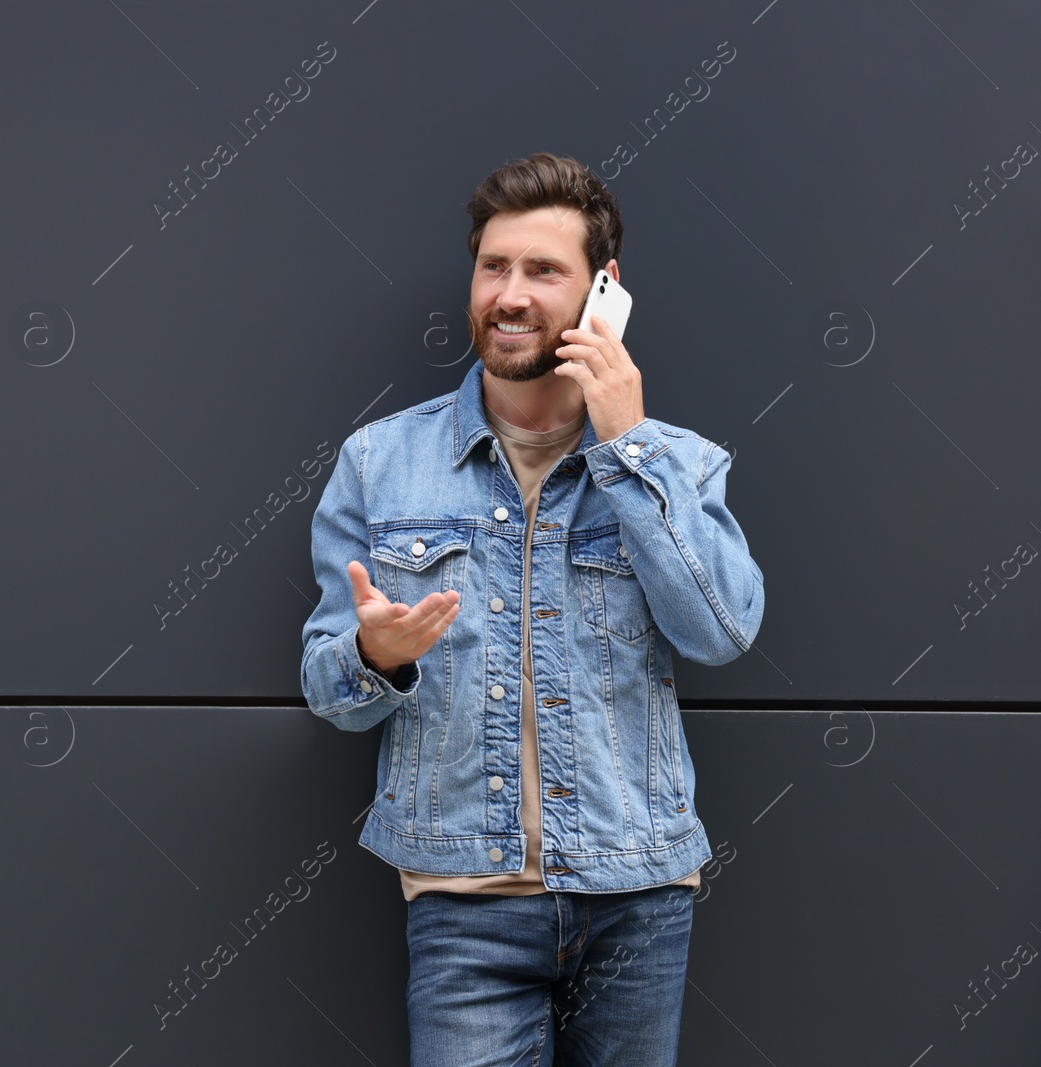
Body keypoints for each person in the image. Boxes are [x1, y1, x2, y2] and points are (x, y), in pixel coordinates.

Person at [299, 152, 764, 1067]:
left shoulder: (679, 461)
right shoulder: (379, 462)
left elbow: (721, 631)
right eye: (494, 266)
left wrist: (628, 447)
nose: (510, 295)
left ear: (603, 290)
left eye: (542, 271)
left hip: (638, 892)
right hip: (463, 900)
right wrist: (377, 653)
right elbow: (327, 688)